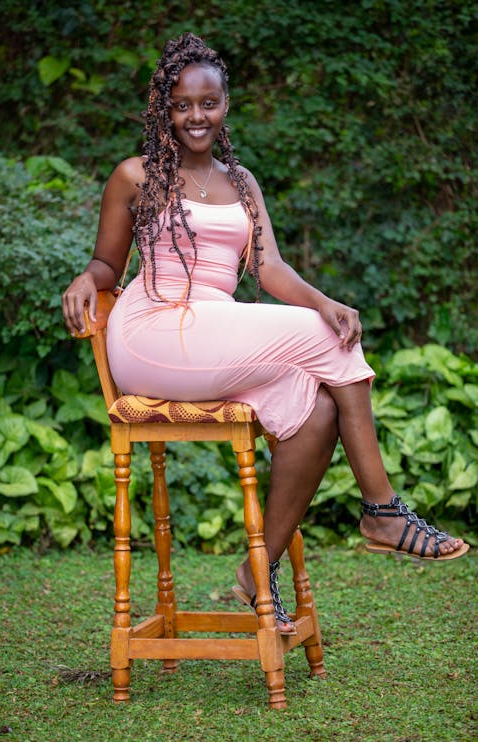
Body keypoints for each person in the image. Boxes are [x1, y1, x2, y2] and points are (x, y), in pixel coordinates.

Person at [63, 32, 468, 635]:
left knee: (318, 413)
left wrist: (325, 300)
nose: (195, 116)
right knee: (323, 338)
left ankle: (260, 568)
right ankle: (383, 511)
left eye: (208, 103)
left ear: (226, 104)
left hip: (213, 335)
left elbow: (270, 268)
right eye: (181, 104)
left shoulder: (243, 183)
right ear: (162, 108)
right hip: (150, 335)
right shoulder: (135, 176)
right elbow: (106, 265)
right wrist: (83, 279)